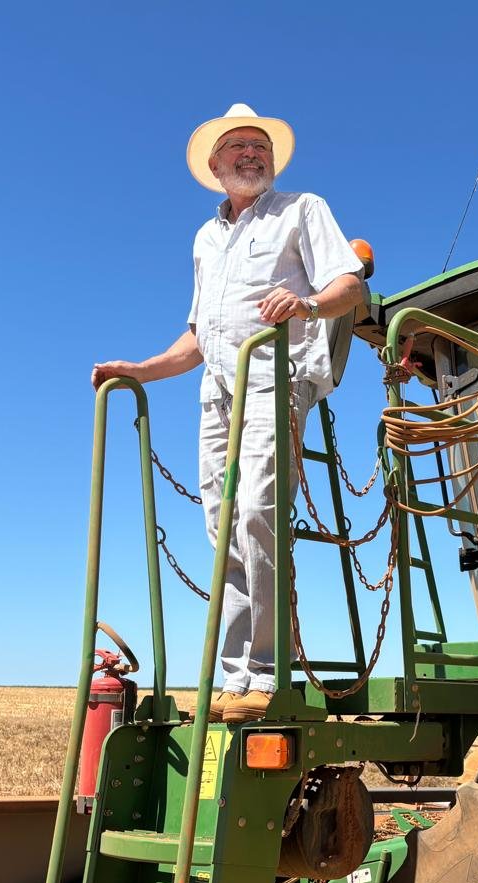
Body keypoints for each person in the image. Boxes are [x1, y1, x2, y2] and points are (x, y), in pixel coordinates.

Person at [92, 104, 365, 723]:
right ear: (215, 166)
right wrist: (138, 370)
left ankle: (266, 674)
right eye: (238, 147)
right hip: (217, 393)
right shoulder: (205, 238)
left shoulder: (302, 208)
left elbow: (352, 286)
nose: (252, 155)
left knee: (258, 512)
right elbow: (195, 339)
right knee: (222, 529)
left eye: (260, 147)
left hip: (274, 378)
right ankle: (236, 676)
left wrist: (307, 302)